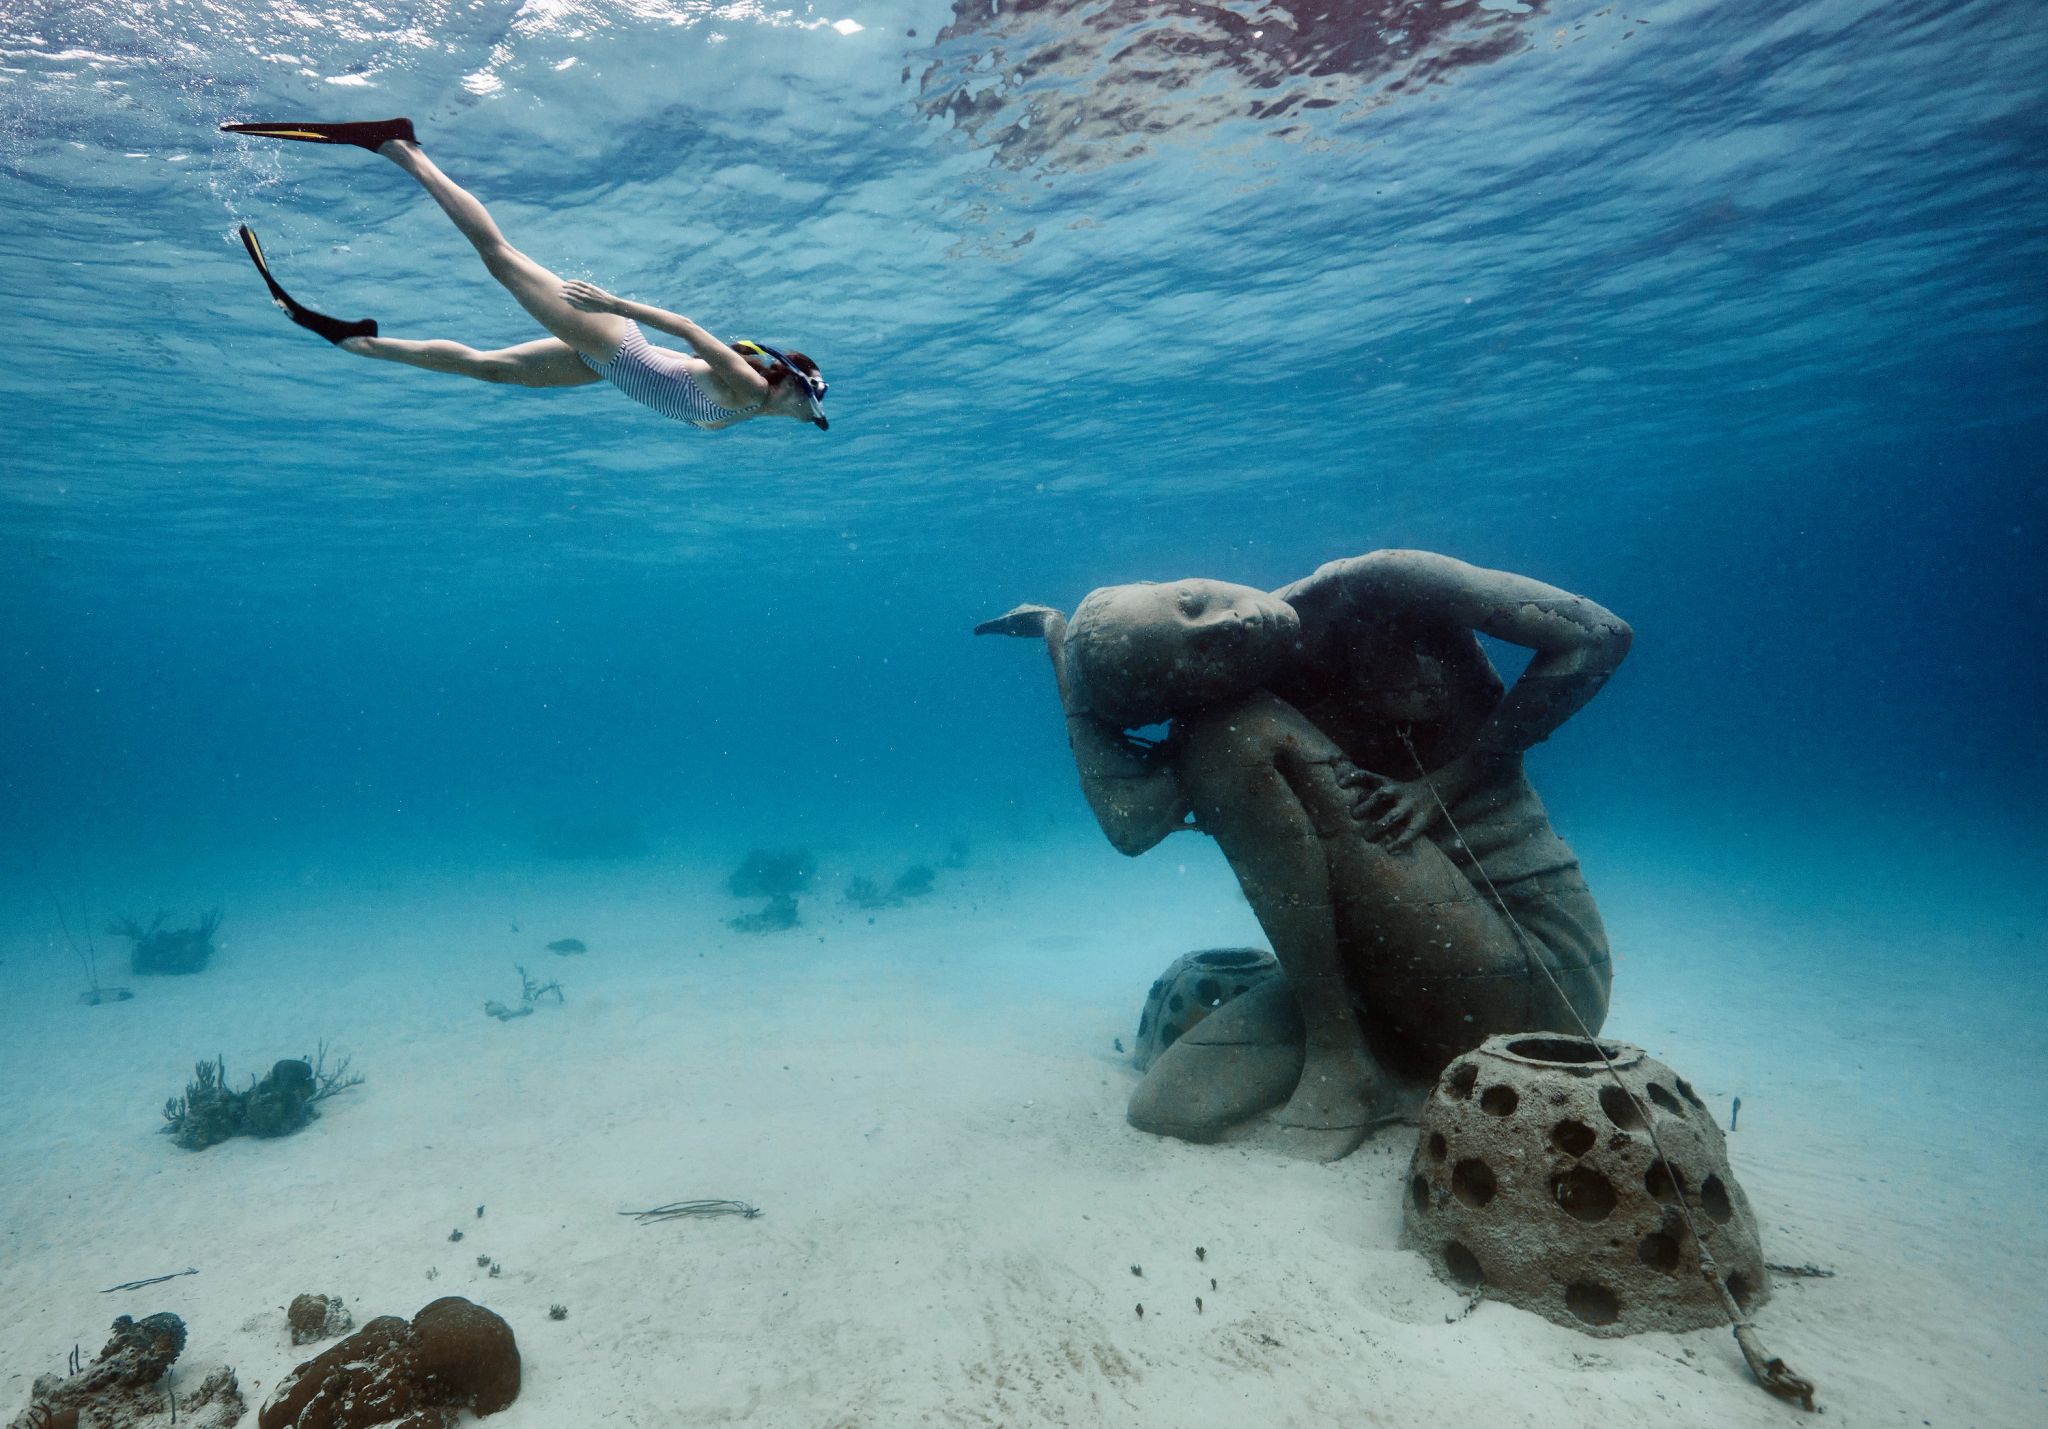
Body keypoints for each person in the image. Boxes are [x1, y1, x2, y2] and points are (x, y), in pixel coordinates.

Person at [978, 549, 1631, 1159]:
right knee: (1168, 1104)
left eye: (1193, 601)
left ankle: (1340, 1053)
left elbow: (1599, 635)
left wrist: (1452, 783)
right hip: (1400, 985)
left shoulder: (1379, 586)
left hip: (1536, 980)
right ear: (1187, 692)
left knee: (1227, 739)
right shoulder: (1226, 701)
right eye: (1198, 657)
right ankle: (1384, 1067)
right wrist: (1059, 643)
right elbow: (1130, 823)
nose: (1229, 626)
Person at [219, 118, 827, 432]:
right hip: (612, 340)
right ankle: (399, 146)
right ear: (790, 384)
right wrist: (613, 302)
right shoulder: (750, 391)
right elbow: (691, 331)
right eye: (811, 398)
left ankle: (357, 341)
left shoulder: (747, 413)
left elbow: (691, 395)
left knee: (492, 370)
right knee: (499, 259)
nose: (809, 413)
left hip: (603, 368)